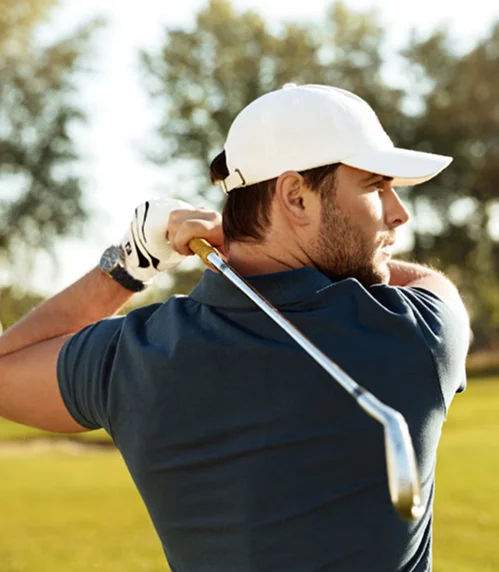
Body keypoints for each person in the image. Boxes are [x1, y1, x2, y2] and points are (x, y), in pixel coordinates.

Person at [0, 84, 469, 571]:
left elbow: (6, 367)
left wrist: (134, 259)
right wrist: (237, 240)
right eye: (375, 186)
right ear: (296, 197)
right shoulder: (417, 335)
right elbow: (435, 286)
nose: (399, 212)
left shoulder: (139, 354)